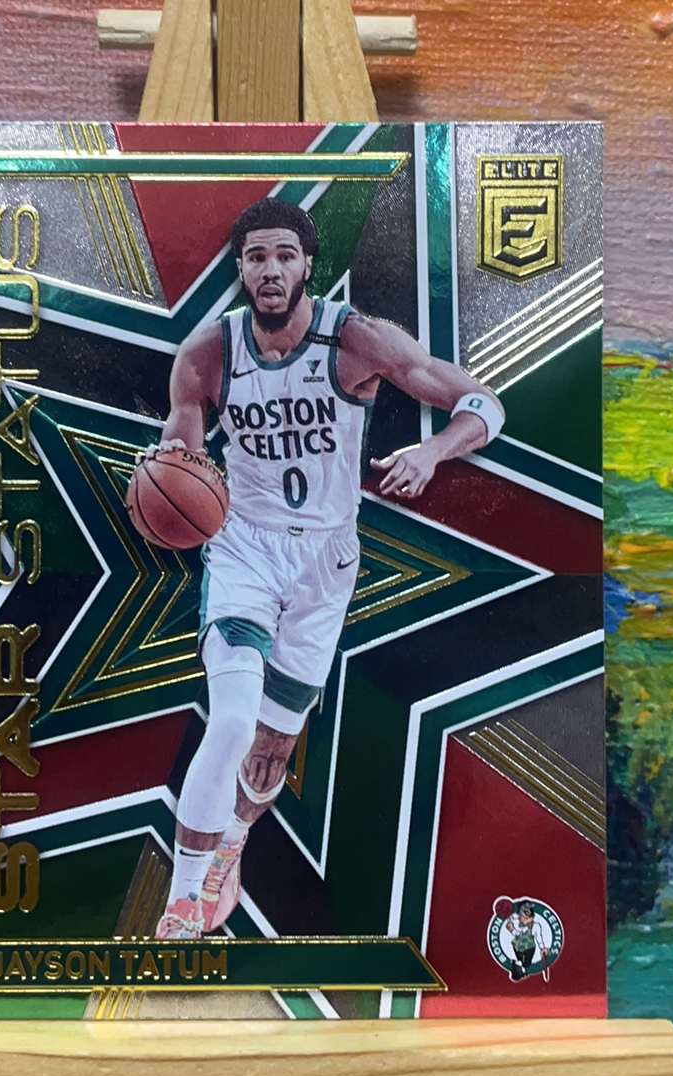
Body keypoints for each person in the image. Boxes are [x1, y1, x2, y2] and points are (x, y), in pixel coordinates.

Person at [147, 197, 505, 938]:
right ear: (240, 269)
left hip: (326, 561)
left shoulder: (358, 340)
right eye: (256, 257)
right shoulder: (208, 353)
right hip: (245, 549)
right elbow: (182, 443)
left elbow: (483, 404)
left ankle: (231, 845)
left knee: (271, 751)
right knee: (233, 716)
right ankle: (182, 900)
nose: (270, 269)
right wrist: (170, 469)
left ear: (307, 264)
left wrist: (432, 451)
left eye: (284, 255)